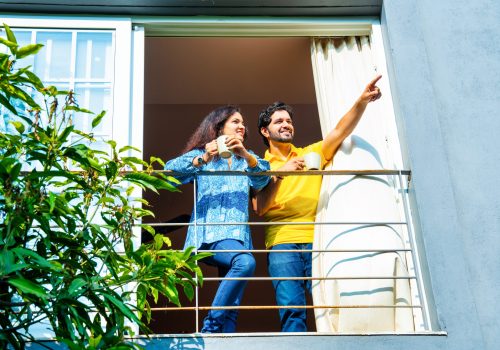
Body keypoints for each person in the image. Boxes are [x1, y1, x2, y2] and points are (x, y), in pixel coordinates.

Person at [252, 75, 383, 332]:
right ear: (265, 131)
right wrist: (280, 174)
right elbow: (259, 208)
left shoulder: (310, 154)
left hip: (320, 238)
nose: (286, 124)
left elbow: (340, 130)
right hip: (282, 242)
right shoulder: (260, 166)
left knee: (332, 304)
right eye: (279, 121)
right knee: (291, 309)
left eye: (289, 121)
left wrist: (362, 101)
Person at [164, 105, 270, 333]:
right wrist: (203, 158)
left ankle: (225, 339)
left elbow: (263, 179)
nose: (242, 126)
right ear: (219, 126)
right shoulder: (204, 154)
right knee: (245, 262)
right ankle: (210, 328)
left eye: (243, 123)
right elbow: (169, 173)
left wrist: (247, 155)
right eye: (235, 122)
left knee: (232, 297)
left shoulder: (246, 160)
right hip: (208, 234)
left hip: (238, 237)